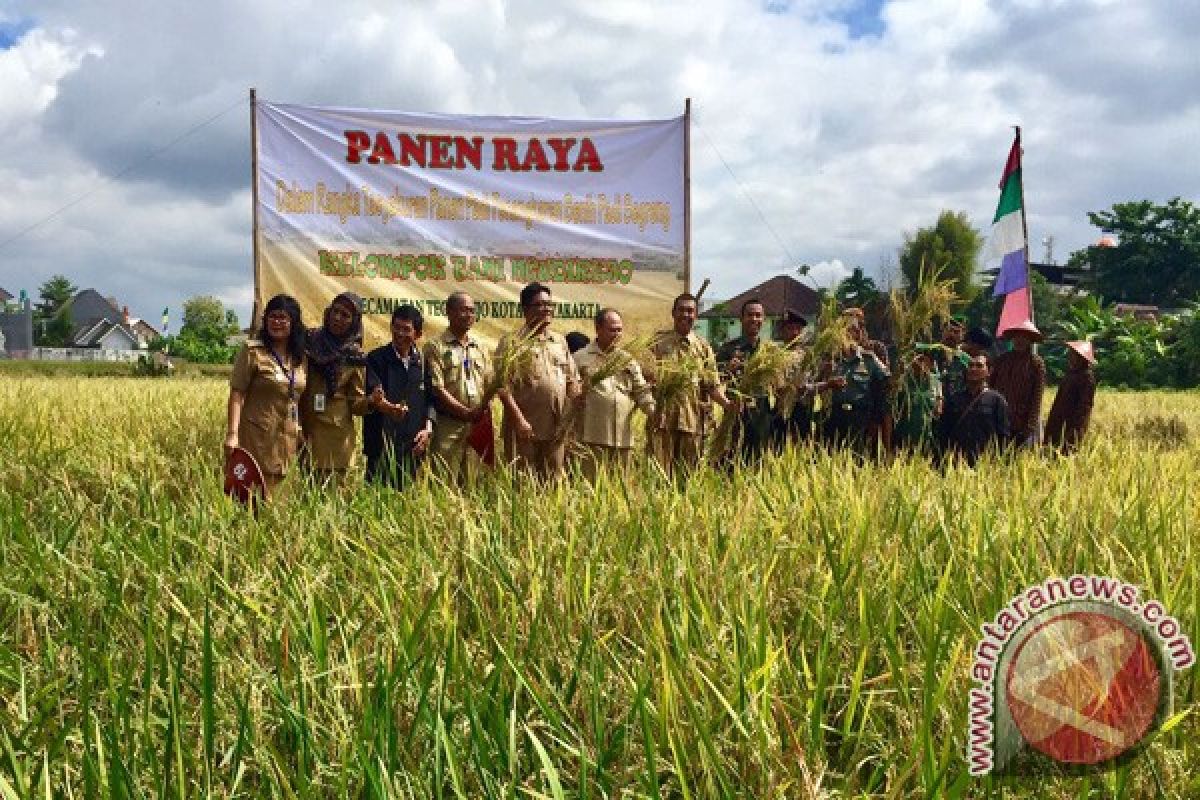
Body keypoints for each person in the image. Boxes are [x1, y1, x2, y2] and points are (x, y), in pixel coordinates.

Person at [495, 282, 581, 478]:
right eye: (540, 305)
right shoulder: (511, 342)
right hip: (525, 430)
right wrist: (519, 421)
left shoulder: (559, 341)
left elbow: (571, 379)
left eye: (550, 305)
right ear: (525, 309)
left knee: (553, 484)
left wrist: (573, 405)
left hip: (556, 430)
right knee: (524, 485)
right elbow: (502, 387)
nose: (546, 309)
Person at [225, 294, 308, 494]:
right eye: (272, 316)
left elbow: (298, 398)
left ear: (293, 323)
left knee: (280, 499)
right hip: (256, 436)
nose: (277, 322)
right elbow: (237, 394)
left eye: (283, 318)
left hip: (286, 437)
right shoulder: (253, 351)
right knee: (250, 496)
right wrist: (232, 434)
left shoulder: (300, 358)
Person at [646, 293, 734, 475]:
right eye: (682, 310)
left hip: (692, 424)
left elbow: (712, 386)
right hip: (662, 423)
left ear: (696, 315)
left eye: (690, 311)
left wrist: (726, 404)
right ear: (673, 313)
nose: (686, 315)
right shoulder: (657, 343)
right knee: (659, 477)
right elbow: (645, 378)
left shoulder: (703, 348)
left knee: (688, 477)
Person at [571, 308, 656, 479]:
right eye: (612, 330)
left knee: (619, 490)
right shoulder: (580, 358)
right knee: (591, 489)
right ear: (598, 328)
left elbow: (641, 391)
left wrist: (653, 411)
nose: (617, 334)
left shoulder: (628, 360)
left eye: (620, 330)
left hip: (622, 440)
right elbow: (570, 391)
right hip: (591, 438)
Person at [423, 291, 494, 483]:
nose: (469, 315)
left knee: (473, 483)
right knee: (443, 482)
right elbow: (437, 388)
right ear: (449, 312)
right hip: (448, 425)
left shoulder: (480, 347)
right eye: (463, 310)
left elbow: (490, 382)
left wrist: (483, 409)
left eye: (472, 311)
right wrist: (464, 412)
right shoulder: (435, 346)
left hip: (477, 425)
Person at [363, 305, 436, 487]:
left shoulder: (423, 363)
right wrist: (388, 408)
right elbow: (374, 393)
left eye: (406, 329)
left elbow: (430, 400)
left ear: (417, 334)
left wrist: (427, 429)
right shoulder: (376, 358)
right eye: (396, 327)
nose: (400, 333)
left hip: (413, 448)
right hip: (381, 448)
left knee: (410, 504)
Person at [300, 292, 368, 484]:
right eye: (335, 311)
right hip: (305, 432)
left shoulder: (355, 356)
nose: (338, 318)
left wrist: (372, 402)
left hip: (336, 440)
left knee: (335, 504)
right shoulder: (309, 342)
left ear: (354, 322)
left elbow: (356, 404)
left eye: (346, 315)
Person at [715, 299, 776, 462]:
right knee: (730, 461)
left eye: (758, 315)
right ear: (741, 318)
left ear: (764, 319)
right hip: (735, 412)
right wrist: (728, 370)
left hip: (762, 415)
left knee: (758, 461)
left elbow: (779, 384)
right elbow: (713, 382)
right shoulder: (728, 349)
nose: (754, 319)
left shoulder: (770, 351)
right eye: (750, 315)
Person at [820, 334, 890, 455]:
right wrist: (827, 382)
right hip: (835, 416)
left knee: (859, 458)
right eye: (847, 332)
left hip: (860, 418)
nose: (851, 336)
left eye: (856, 331)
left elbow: (887, 382)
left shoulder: (869, 359)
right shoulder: (830, 359)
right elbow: (812, 384)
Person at [938, 353, 1010, 465]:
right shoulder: (954, 399)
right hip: (957, 463)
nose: (973, 369)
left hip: (986, 463)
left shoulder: (997, 400)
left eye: (979, 366)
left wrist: (999, 463)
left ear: (989, 371)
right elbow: (944, 433)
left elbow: (1003, 436)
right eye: (970, 365)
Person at [990, 321, 1046, 448]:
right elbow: (991, 388)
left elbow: (1037, 397)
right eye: (1017, 336)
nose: (1020, 340)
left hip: (1023, 420)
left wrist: (1030, 425)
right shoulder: (1001, 360)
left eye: (1024, 337)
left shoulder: (1036, 363)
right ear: (1012, 338)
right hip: (999, 417)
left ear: (1030, 340)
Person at [773, 309, 817, 447]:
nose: (794, 333)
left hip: (802, 409)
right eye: (790, 328)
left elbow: (815, 381)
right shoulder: (773, 356)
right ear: (782, 331)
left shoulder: (809, 356)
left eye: (798, 328)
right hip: (780, 409)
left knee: (802, 448)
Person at [1044, 340, 1097, 454]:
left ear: (1081, 358)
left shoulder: (1086, 378)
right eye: (1070, 354)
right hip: (1058, 423)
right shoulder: (1070, 375)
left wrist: (1075, 432)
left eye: (1073, 354)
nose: (1070, 357)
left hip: (1071, 426)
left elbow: (1084, 408)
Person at [892, 348, 943, 454]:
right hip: (905, 434)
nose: (919, 363)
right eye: (918, 359)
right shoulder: (904, 380)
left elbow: (938, 408)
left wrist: (938, 406)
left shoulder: (936, 381)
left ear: (931, 364)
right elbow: (893, 397)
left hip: (927, 437)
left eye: (924, 360)